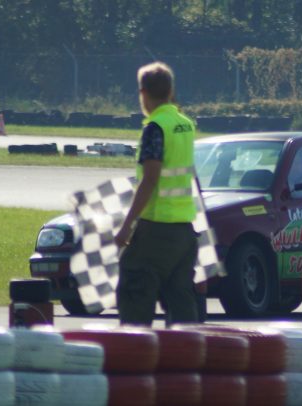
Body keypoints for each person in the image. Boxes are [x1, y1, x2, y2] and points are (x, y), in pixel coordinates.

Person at [113, 62, 200, 326]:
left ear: (143, 92)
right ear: (171, 90)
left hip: (156, 229)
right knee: (179, 297)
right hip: (184, 230)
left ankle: (136, 356)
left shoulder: (156, 127)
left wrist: (127, 226)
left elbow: (150, 180)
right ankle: (187, 356)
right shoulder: (185, 124)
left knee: (134, 287)